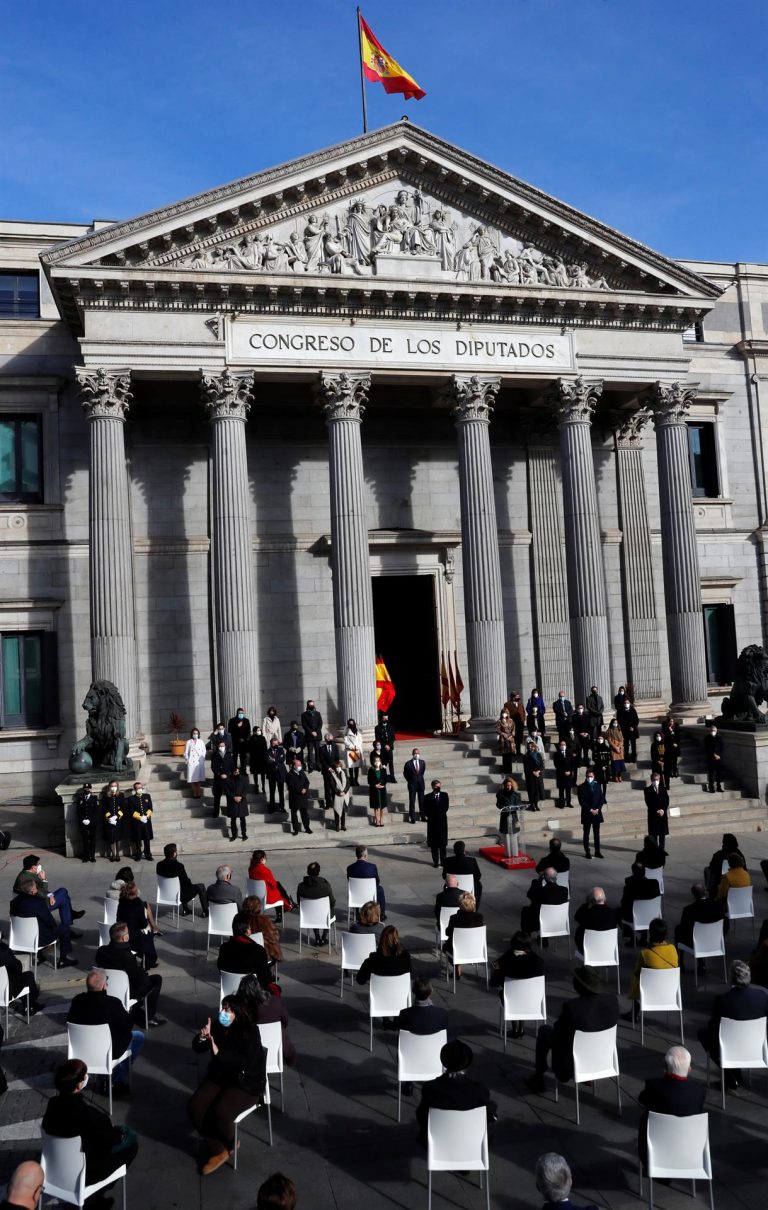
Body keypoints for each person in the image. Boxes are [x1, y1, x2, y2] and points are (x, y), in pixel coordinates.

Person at [188, 994, 266, 1175]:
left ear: (238, 1013)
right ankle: (217, 1149)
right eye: (223, 1008)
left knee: (220, 1112)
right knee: (195, 1106)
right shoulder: (218, 1025)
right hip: (221, 1076)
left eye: (228, 1010)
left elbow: (244, 1061)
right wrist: (202, 1037)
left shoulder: (250, 1032)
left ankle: (230, 1142)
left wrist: (218, 1052)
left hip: (244, 1082)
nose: (223, 1013)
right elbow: (197, 1047)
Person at [42, 1060, 138, 1186]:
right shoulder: (93, 1116)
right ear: (78, 1085)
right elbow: (106, 1147)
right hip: (86, 1174)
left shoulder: (52, 1105)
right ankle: (96, 1195)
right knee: (132, 1146)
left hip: (55, 1168)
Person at [526, 965, 619, 1092]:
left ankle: (539, 1075)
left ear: (579, 985)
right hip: (603, 1059)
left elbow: (559, 1034)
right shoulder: (612, 1001)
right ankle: (587, 1076)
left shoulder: (572, 1007)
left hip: (573, 1061)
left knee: (544, 1030)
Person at [697, 959, 768, 1089]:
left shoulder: (722, 999)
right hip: (757, 1049)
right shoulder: (762, 996)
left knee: (703, 1034)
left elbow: (713, 1029)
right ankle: (734, 1074)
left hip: (731, 1049)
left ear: (732, 978)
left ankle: (731, 1075)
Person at [68, 969, 143, 1089]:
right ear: (103, 986)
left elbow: (70, 1020)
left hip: (82, 1049)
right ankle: (114, 1081)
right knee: (139, 1036)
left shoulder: (77, 1001)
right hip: (107, 1051)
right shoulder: (113, 1003)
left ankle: (105, 1079)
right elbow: (128, 1025)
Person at [415, 1039, 495, 1147]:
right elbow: (488, 1115)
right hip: (472, 1145)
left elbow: (421, 1115)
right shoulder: (479, 1090)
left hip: (438, 1144)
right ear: (467, 1064)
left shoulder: (430, 1088)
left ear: (443, 1061)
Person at [637, 1047, 706, 1167]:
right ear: (689, 1069)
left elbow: (642, 1099)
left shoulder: (654, 1086)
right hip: (690, 1148)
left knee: (644, 1118)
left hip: (659, 1145)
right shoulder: (699, 1090)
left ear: (665, 1068)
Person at [96, 920, 164, 1025]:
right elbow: (139, 981)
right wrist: (143, 973)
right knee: (156, 980)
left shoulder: (101, 951)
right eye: (128, 933)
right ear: (124, 938)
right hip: (126, 992)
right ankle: (149, 1017)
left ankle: (135, 1009)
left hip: (106, 989)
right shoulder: (127, 957)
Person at [10, 875, 77, 967]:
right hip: (38, 939)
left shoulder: (13, 903)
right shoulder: (38, 902)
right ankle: (63, 960)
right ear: (33, 891)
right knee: (64, 928)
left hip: (20, 938)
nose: (37, 890)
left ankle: (41, 955)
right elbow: (50, 922)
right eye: (36, 888)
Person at [490, 929, 544, 1034]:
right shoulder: (537, 960)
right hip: (533, 999)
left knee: (508, 994)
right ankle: (521, 1028)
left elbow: (496, 980)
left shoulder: (506, 959)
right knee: (523, 993)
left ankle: (515, 1028)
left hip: (512, 999)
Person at [12, 855, 85, 933]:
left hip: (34, 900)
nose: (39, 865)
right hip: (38, 906)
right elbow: (40, 892)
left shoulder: (26, 873)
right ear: (33, 867)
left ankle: (69, 919)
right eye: (38, 864)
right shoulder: (27, 879)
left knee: (63, 893)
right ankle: (67, 926)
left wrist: (50, 895)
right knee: (63, 896)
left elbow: (39, 891)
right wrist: (44, 879)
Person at [625, 917, 678, 1022]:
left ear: (650, 934)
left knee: (636, 977)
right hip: (670, 994)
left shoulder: (645, 953)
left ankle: (634, 1011)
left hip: (649, 995)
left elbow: (637, 972)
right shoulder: (672, 949)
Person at [238, 974, 296, 1066]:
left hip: (249, 1053)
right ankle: (290, 1058)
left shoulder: (240, 1008)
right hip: (274, 1050)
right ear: (259, 987)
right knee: (280, 1028)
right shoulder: (274, 1001)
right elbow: (286, 1020)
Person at [217, 913, 273, 986]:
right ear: (247, 930)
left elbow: (220, 968)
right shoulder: (258, 950)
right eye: (250, 928)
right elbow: (265, 978)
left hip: (229, 987)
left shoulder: (224, 948)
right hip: (252, 991)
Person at [116, 880, 160, 970]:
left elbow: (118, 919)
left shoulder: (121, 903)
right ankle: (149, 962)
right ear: (135, 892)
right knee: (149, 936)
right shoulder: (137, 904)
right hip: (133, 938)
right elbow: (143, 924)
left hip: (121, 934)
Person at [156, 842, 208, 917]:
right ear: (174, 854)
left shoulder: (159, 865)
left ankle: (185, 909)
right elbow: (186, 882)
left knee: (181, 886)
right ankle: (205, 912)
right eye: (176, 851)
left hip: (165, 894)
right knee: (200, 887)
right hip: (179, 896)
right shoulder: (179, 866)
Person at [675, 882, 727, 950]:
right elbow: (725, 923)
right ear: (705, 892)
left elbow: (684, 927)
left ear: (693, 895)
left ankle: (679, 957)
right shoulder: (717, 905)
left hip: (697, 942)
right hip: (715, 939)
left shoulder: (688, 910)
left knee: (678, 929)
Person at [443, 892, 483, 977]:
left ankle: (456, 966)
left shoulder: (454, 918)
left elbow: (448, 933)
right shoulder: (479, 917)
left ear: (460, 905)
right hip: (475, 949)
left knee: (445, 947)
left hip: (457, 949)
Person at [0, 929, 40, 1014]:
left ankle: (28, 1004)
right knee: (28, 976)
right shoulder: (3, 951)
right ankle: (30, 1007)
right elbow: (17, 968)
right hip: (4, 992)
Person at [620, 862, 661, 942]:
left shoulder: (629, 887)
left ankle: (632, 938)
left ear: (633, 873)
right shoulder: (654, 883)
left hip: (636, 918)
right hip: (652, 915)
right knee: (641, 910)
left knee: (619, 912)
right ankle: (643, 937)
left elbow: (624, 904)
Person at [521, 868, 568, 937]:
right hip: (558, 922)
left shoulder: (541, 890)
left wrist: (538, 880)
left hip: (542, 921)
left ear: (545, 877)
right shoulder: (564, 890)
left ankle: (526, 936)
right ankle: (544, 939)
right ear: (556, 876)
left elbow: (530, 895)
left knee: (526, 910)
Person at [297, 861, 335, 946]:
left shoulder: (301, 886)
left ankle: (317, 937)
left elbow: (299, 902)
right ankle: (324, 937)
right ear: (319, 872)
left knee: (313, 911)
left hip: (308, 916)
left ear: (307, 872)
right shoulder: (326, 886)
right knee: (331, 909)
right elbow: (333, 902)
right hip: (324, 916)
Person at [574, 887, 620, 954]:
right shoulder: (613, 913)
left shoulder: (586, 914)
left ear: (591, 900)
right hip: (608, 950)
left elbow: (576, 917)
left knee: (580, 928)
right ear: (604, 898)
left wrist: (587, 904)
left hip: (589, 952)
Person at [347, 845, 387, 919]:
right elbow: (377, 882)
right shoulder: (372, 867)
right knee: (380, 889)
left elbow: (349, 882)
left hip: (356, 897)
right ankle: (382, 914)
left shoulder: (350, 868)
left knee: (354, 889)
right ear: (365, 856)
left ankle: (356, 913)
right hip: (370, 895)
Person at [242, 895, 283, 963]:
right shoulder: (264, 920)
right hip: (263, 955)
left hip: (243, 953)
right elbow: (274, 937)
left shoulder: (238, 919)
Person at [443, 840, 483, 908]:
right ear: (464, 850)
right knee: (479, 885)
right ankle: (474, 907)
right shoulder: (472, 861)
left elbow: (444, 876)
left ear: (454, 850)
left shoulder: (448, 861)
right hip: (469, 887)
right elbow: (478, 876)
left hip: (452, 887)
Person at [578, 769, 604, 860]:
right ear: (586, 776)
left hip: (597, 812)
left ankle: (597, 851)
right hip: (587, 813)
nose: (590, 778)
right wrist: (590, 810)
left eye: (591, 776)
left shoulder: (597, 785)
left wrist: (597, 809)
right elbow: (582, 801)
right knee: (586, 833)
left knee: (597, 834)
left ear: (594, 777)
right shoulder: (581, 787)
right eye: (588, 776)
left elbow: (601, 798)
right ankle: (587, 852)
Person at [124, 781, 153, 862]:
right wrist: (140, 817)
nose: (139, 789)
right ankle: (138, 854)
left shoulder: (147, 796)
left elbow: (150, 808)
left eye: (140, 788)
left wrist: (146, 816)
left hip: (146, 821)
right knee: (138, 839)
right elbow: (131, 810)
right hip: (137, 822)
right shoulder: (131, 799)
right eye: (137, 788)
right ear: (134, 789)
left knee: (147, 838)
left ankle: (148, 854)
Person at [423, 779, 449, 867]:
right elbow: (425, 809)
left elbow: (446, 807)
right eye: (436, 786)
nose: (438, 788)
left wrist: (438, 814)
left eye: (439, 786)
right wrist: (430, 816)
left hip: (442, 822)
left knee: (442, 844)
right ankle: (435, 862)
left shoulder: (445, 795)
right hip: (432, 823)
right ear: (432, 787)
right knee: (434, 844)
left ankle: (443, 861)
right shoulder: (427, 797)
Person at [286, 756, 311, 836]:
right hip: (295, 797)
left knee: (304, 813)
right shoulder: (289, 774)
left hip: (303, 797)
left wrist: (305, 789)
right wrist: (300, 790)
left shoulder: (302, 772)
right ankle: (296, 829)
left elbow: (307, 782)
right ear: (294, 766)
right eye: (298, 765)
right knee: (294, 814)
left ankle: (307, 828)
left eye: (300, 765)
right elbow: (291, 786)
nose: (300, 766)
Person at [210, 736, 235, 819]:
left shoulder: (229, 755)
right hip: (218, 780)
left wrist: (228, 775)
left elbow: (232, 766)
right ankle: (216, 812)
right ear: (218, 746)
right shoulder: (215, 755)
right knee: (217, 797)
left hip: (227, 779)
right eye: (220, 746)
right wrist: (219, 774)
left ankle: (229, 811)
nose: (222, 747)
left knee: (229, 796)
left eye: (223, 746)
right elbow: (213, 767)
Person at [496, 776, 521, 855]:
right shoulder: (500, 794)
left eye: (510, 785)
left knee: (513, 835)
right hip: (505, 816)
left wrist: (515, 808)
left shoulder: (516, 794)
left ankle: (514, 853)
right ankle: (508, 853)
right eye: (507, 785)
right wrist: (503, 807)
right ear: (504, 785)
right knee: (506, 835)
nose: (509, 787)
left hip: (513, 816)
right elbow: (498, 804)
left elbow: (518, 805)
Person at [225, 764, 249, 842]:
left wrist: (241, 796)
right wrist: (234, 797)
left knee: (243, 819)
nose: (237, 773)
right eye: (235, 772)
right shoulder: (228, 780)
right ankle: (234, 835)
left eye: (238, 772)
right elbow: (227, 790)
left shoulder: (244, 779)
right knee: (233, 819)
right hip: (232, 801)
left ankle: (244, 834)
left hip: (242, 801)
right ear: (232, 772)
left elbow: (246, 789)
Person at [644, 772, 670, 847]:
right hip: (653, 814)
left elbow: (667, 800)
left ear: (659, 779)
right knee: (654, 834)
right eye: (654, 779)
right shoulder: (647, 790)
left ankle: (662, 849)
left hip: (662, 814)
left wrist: (663, 810)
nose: (656, 781)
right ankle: (654, 849)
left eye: (657, 779)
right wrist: (656, 810)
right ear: (651, 779)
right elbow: (648, 802)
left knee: (662, 833)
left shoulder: (663, 789)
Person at [74, 782, 98, 862]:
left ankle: (92, 856)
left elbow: (96, 811)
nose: (87, 790)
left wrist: (90, 820)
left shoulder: (94, 798)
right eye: (85, 789)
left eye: (88, 789)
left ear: (90, 789)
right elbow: (78, 811)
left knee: (92, 839)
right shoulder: (80, 798)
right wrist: (83, 819)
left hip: (92, 823)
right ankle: (86, 856)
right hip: (83, 822)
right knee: (85, 839)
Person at [101, 780, 124, 862]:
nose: (113, 787)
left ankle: (117, 854)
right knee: (111, 838)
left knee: (118, 837)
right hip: (109, 821)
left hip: (118, 820)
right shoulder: (105, 797)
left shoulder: (121, 795)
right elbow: (104, 808)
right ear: (109, 787)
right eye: (112, 786)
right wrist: (109, 818)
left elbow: (123, 807)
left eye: (115, 786)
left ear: (117, 787)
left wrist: (117, 817)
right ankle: (113, 854)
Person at [325, 757, 350, 832]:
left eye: (339, 767)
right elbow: (332, 786)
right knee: (336, 810)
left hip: (344, 794)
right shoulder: (332, 775)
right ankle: (337, 826)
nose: (338, 768)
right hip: (336, 795)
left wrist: (344, 791)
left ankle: (343, 825)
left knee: (343, 811)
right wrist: (339, 792)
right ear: (334, 768)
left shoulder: (344, 773)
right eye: (337, 767)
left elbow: (348, 784)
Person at [403, 747, 427, 823]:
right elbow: (405, 774)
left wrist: (418, 778)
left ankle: (422, 816)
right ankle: (412, 817)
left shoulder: (422, 762)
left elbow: (422, 772)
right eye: (415, 753)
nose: (416, 755)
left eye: (418, 753)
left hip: (420, 784)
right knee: (412, 801)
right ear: (412, 754)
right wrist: (410, 781)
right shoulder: (408, 763)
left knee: (422, 801)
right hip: (412, 784)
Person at [266, 737, 288, 813]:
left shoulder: (281, 750)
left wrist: (274, 760)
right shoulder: (267, 751)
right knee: (272, 792)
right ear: (271, 743)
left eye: (276, 743)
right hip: (271, 773)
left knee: (281, 791)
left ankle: (282, 807)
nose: (275, 745)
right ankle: (272, 807)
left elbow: (282, 759)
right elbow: (267, 761)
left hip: (280, 773)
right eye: (273, 743)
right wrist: (276, 760)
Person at [552, 739, 576, 809]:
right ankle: (561, 803)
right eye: (562, 745)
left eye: (564, 744)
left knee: (568, 789)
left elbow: (572, 763)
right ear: (559, 746)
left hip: (569, 774)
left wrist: (570, 771)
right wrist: (564, 771)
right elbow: (556, 765)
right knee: (561, 790)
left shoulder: (569, 753)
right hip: (561, 774)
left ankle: (568, 803)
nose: (563, 746)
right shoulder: (556, 754)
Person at [301, 699, 323, 772]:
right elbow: (304, 725)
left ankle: (318, 765)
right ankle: (310, 766)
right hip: (309, 736)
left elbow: (320, 723)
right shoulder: (304, 714)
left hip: (317, 736)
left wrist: (316, 731)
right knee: (310, 752)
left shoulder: (318, 713)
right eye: (310, 704)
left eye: (312, 704)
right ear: (307, 705)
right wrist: (311, 732)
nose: (311, 705)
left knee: (318, 752)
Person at [185, 727, 207, 799]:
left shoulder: (201, 741)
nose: (195, 734)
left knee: (198, 779)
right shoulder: (189, 742)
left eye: (197, 733)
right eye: (194, 733)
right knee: (192, 779)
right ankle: (195, 793)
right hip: (191, 763)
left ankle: (199, 793)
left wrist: (202, 759)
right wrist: (187, 760)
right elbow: (186, 752)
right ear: (192, 734)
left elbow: (204, 751)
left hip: (198, 762)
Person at [523, 739, 544, 811]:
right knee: (532, 790)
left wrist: (538, 771)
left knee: (537, 791)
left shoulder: (538, 754)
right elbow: (526, 767)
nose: (530, 747)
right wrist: (533, 772)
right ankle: (532, 805)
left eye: (532, 746)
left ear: (534, 747)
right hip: (530, 775)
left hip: (538, 775)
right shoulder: (526, 756)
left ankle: (536, 804)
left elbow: (542, 765)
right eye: (529, 746)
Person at [367, 756, 388, 827]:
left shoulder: (383, 770)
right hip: (374, 790)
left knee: (382, 806)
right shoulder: (371, 770)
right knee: (376, 806)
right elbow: (369, 780)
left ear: (380, 762)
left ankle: (381, 820)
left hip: (382, 789)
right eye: (376, 761)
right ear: (373, 762)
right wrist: (375, 785)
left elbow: (385, 779)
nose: (377, 762)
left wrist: (382, 785)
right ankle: (377, 820)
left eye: (378, 761)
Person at [374, 712, 396, 781]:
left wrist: (389, 745)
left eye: (387, 718)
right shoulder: (377, 728)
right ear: (381, 719)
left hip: (389, 748)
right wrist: (384, 745)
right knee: (383, 763)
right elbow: (378, 739)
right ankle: (384, 776)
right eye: (384, 718)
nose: (386, 719)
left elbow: (393, 737)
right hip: (383, 748)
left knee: (391, 763)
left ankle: (392, 776)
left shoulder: (391, 727)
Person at [248, 724, 269, 795]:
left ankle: (263, 787)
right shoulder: (251, 738)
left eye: (260, 730)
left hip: (262, 759)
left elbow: (265, 748)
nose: (259, 731)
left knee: (263, 774)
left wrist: (265, 757)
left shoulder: (263, 738)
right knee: (255, 773)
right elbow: (250, 748)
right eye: (258, 730)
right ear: (254, 731)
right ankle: (256, 786)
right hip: (254, 759)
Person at [343, 718, 364, 786]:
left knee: (356, 767)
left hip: (357, 750)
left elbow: (360, 740)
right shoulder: (346, 732)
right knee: (351, 767)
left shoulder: (358, 731)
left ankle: (356, 780)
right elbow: (345, 741)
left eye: (352, 723)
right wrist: (352, 747)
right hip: (351, 751)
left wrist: (357, 747)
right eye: (350, 723)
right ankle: (351, 780)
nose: (351, 724)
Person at [618, 698, 639, 763]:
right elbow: (620, 721)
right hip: (625, 731)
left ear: (629, 703)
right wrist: (627, 727)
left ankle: (633, 758)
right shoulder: (620, 711)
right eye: (625, 703)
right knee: (626, 745)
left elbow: (636, 720)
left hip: (633, 730)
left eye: (627, 703)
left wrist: (633, 727)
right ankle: (626, 758)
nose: (626, 704)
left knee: (633, 745)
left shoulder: (633, 710)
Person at [495, 710, 516, 774]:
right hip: (503, 739)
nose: (504, 714)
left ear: (507, 714)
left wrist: (511, 735)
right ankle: (505, 770)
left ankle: (509, 770)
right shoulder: (499, 721)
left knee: (509, 755)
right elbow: (497, 730)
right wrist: (503, 734)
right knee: (504, 756)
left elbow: (513, 729)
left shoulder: (511, 720)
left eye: (505, 713)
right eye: (503, 713)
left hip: (510, 739)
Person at [704, 724, 724, 792]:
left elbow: (721, 747)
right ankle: (711, 787)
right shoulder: (707, 738)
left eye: (714, 730)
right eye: (712, 730)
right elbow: (707, 748)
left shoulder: (719, 738)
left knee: (719, 774)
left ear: (717, 730)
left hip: (718, 758)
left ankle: (719, 787)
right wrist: (713, 754)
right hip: (711, 758)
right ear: (710, 731)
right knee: (711, 774)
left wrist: (719, 755)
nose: (713, 731)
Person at [591, 735, 611, 801]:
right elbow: (595, 759)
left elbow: (608, 758)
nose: (600, 740)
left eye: (601, 738)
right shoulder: (595, 748)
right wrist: (601, 766)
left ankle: (604, 797)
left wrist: (605, 766)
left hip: (606, 768)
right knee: (599, 783)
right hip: (598, 768)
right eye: (599, 738)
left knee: (605, 783)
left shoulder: (606, 748)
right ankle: (600, 796)